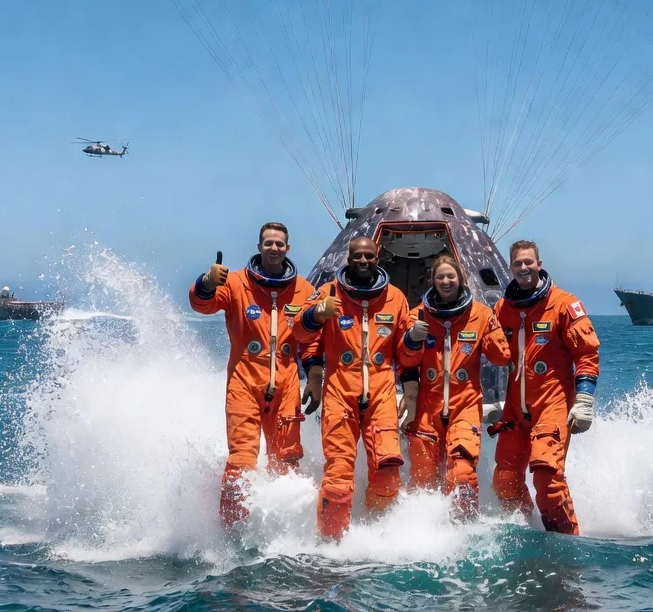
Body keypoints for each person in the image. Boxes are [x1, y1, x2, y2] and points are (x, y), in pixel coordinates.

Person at [189, 222, 319, 532]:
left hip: (286, 383)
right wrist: (206, 282)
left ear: (288, 248)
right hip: (245, 381)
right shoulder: (236, 283)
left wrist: (314, 377)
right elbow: (202, 304)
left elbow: (312, 339)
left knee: (286, 461)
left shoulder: (303, 289)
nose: (274, 248)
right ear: (259, 246)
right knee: (242, 460)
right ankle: (231, 531)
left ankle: (283, 530)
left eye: (280, 244)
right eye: (269, 243)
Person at [293, 237, 411, 540]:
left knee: (387, 473)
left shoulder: (395, 298)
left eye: (368, 256)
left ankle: (377, 536)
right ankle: (331, 544)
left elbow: (406, 354)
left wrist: (413, 345)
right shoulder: (328, 293)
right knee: (338, 476)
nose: (362, 261)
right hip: (339, 394)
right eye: (357, 255)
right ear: (348, 257)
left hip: (381, 395)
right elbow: (301, 336)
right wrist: (316, 314)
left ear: (378, 256)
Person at [489, 240, 600, 535]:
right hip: (515, 410)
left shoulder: (564, 304)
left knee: (547, 479)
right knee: (505, 480)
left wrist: (584, 400)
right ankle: (529, 531)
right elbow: (490, 352)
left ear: (539, 263)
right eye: (517, 264)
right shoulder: (503, 308)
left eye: (528, 262)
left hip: (552, 405)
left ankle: (567, 544)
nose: (523, 268)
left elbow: (586, 353)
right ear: (510, 267)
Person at [399, 254, 510, 519]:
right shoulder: (418, 315)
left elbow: (501, 357)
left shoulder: (481, 315)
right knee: (423, 478)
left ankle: (463, 531)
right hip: (428, 406)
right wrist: (412, 339)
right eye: (440, 277)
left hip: (464, 404)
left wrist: (494, 332)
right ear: (432, 281)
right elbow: (404, 360)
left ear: (461, 279)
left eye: (451, 276)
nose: (446, 281)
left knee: (462, 471)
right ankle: (424, 530)